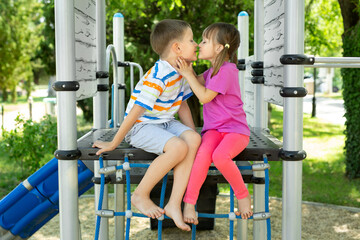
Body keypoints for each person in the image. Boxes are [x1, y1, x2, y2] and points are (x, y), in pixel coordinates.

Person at [92, 19, 201, 231]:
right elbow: (136, 111)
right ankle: (140, 194)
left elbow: (183, 105)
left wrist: (191, 132)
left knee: (194, 140)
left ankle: (173, 204)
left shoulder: (183, 70)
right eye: (192, 40)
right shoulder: (159, 74)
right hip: (141, 126)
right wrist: (115, 141)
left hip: (165, 123)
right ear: (177, 48)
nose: (196, 44)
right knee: (178, 147)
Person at [175, 22, 253, 225]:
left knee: (220, 156)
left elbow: (204, 97)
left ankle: (243, 195)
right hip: (214, 130)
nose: (199, 44)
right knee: (201, 155)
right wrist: (179, 69)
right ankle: (189, 202)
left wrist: (188, 75)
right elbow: (191, 83)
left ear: (219, 48)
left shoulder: (227, 70)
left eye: (204, 41)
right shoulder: (211, 73)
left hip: (235, 131)